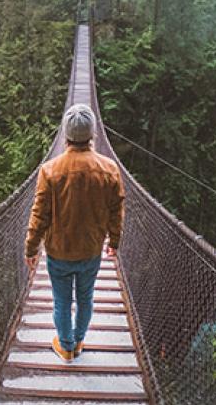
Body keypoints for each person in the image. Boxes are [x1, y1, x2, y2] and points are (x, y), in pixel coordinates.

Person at [24, 103, 125, 362]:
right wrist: (114, 240)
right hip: (91, 250)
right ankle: (79, 340)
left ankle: (66, 347)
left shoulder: (49, 170)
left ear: (65, 134)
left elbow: (39, 215)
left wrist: (31, 248)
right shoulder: (110, 169)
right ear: (93, 134)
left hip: (59, 252)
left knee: (61, 301)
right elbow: (117, 210)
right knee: (85, 298)